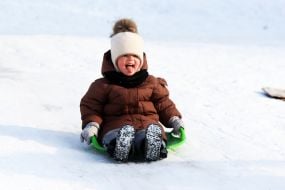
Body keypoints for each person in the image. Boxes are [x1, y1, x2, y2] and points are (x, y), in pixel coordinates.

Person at [80, 18, 184, 162]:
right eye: (125, 56)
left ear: (141, 60)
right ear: (115, 60)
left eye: (135, 56)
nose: (131, 59)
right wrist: (92, 125)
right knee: (117, 135)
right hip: (115, 125)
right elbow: (91, 107)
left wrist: (174, 120)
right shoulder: (102, 85)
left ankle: (152, 145)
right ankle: (120, 146)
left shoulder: (151, 82)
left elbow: (164, 103)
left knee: (150, 132)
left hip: (147, 123)